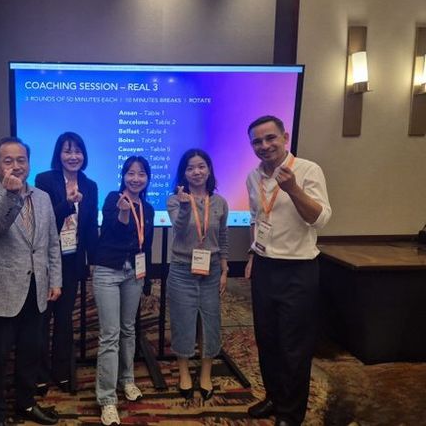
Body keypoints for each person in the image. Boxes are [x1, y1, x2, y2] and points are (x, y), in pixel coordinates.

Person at [244, 115, 331, 426]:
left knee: (294, 345)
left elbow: (320, 219)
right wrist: (252, 254)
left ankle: (290, 414)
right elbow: (256, 218)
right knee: (267, 339)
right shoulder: (253, 177)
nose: (264, 145)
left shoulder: (308, 170)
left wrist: (293, 189)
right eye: (257, 141)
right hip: (264, 266)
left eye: (270, 138)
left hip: (298, 270)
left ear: (285, 137)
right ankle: (274, 397)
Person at [0, 136, 62, 426]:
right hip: (2, 291)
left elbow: (52, 242)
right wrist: (12, 195)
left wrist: (55, 279)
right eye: (8, 160)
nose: (16, 165)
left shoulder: (42, 197)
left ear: (29, 163)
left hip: (37, 288)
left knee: (30, 353)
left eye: (21, 160)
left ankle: (26, 404)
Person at [34, 132, 99, 394]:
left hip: (72, 260)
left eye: (77, 151)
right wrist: (68, 204)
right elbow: (43, 220)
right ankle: (39, 373)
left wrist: (93, 261)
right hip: (47, 261)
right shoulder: (44, 180)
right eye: (67, 151)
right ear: (58, 154)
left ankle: (61, 372)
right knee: (42, 319)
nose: (73, 156)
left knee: (64, 319)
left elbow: (90, 227)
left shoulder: (90, 185)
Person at [92, 155, 154, 426]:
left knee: (129, 329)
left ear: (147, 178)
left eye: (141, 174)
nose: (136, 178)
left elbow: (146, 245)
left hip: (134, 274)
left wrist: (146, 277)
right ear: (124, 176)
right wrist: (123, 213)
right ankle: (107, 399)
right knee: (110, 335)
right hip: (108, 271)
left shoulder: (148, 209)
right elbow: (110, 233)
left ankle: (126, 379)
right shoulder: (112, 199)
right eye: (131, 173)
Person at [166, 149, 229, 402]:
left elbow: (222, 237)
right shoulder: (174, 200)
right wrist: (184, 206)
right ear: (184, 173)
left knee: (211, 322)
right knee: (182, 321)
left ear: (209, 170)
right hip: (182, 268)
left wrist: (224, 269)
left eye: (201, 166)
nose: (196, 172)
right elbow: (179, 230)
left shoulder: (220, 202)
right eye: (190, 168)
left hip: (212, 269)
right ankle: (183, 372)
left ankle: (205, 373)